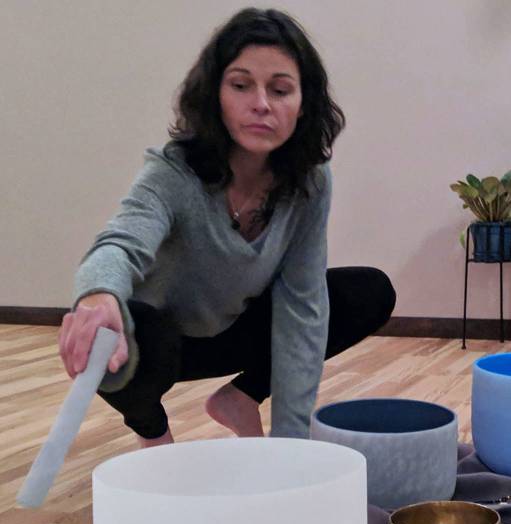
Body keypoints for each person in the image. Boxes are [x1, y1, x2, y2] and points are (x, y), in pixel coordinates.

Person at [57, 8, 395, 446]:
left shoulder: (309, 181)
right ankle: (152, 432)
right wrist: (98, 295)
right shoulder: (173, 172)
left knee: (365, 293)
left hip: (232, 330)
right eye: (240, 85)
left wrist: (290, 447)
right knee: (117, 332)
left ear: (302, 103)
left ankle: (239, 399)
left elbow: (303, 306)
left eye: (280, 89)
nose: (261, 103)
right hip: (157, 347)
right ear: (215, 94)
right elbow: (120, 244)